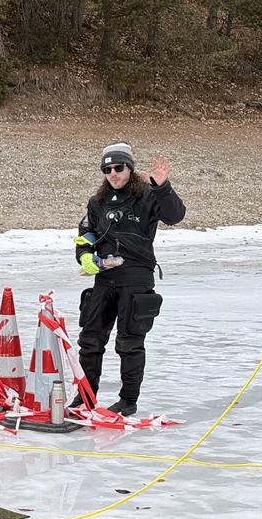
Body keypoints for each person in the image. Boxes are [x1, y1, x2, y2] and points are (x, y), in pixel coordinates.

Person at [73, 143, 185, 416]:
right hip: (104, 280)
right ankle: (85, 397)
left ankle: (128, 401)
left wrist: (162, 186)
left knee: (129, 343)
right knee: (90, 341)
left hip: (136, 281)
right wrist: (85, 257)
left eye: (119, 167)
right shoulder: (97, 202)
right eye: (107, 169)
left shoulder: (146, 195)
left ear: (130, 168)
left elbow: (175, 216)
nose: (113, 173)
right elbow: (85, 235)